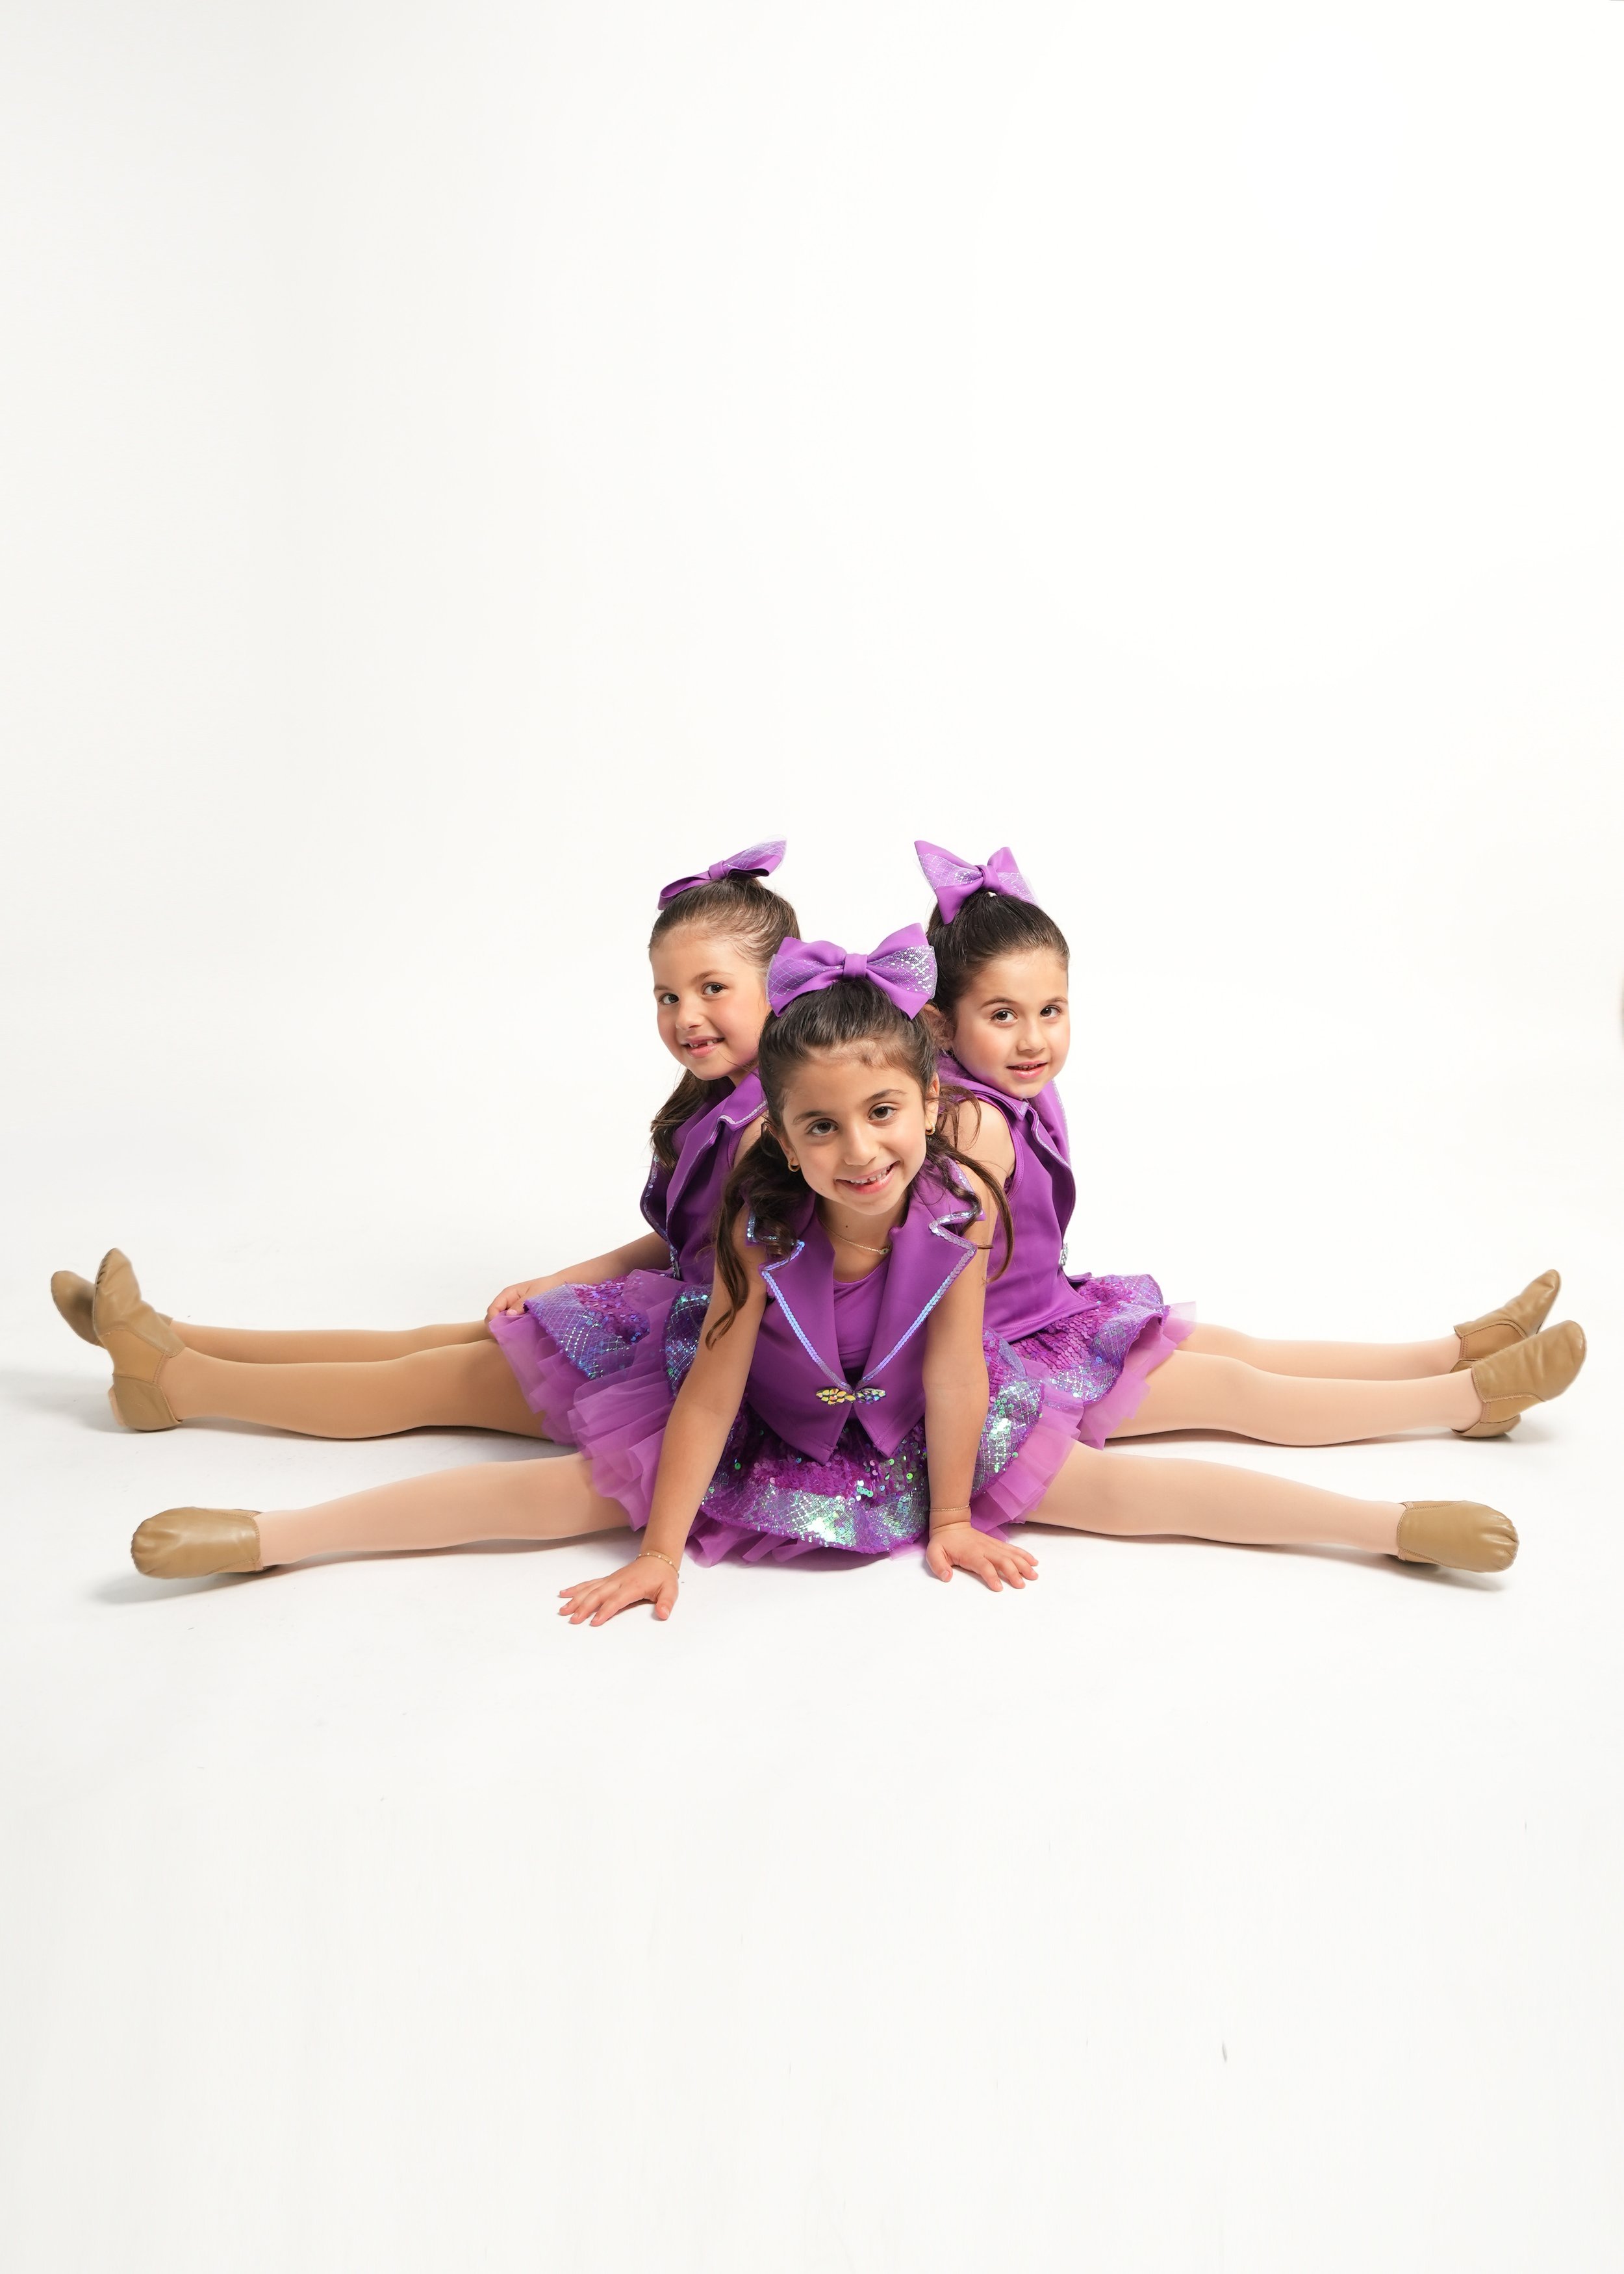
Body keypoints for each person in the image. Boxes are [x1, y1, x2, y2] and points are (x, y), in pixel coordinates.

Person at [127, 927, 1524, 1606]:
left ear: (928, 1102)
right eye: (819, 1126)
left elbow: (964, 1365)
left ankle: (1396, 1521)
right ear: (779, 1139)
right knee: (526, 1465)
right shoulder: (757, 1228)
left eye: (882, 1116)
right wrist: (662, 1544)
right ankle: (258, 1533)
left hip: (919, 1438)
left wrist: (958, 1512)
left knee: (1125, 1476)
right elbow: (699, 1401)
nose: (858, 1151)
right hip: (762, 1438)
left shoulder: (957, 1207)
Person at [55, 842, 794, 1442]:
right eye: (667, 996)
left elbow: (751, 1277)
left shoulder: (777, 1124)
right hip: (665, 1312)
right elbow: (681, 1242)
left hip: (692, 1364)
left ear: (781, 986)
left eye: (712, 988)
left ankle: (170, 1384)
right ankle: (169, 1333)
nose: (684, 1015)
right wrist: (564, 1278)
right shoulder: (721, 1101)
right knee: (433, 1340)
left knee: (429, 1381)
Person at [915, 838, 1586, 1449]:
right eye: (1002, 1014)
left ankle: (1453, 1349)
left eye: (1050, 1010)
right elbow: (945, 1304)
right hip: (1011, 1365)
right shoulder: (975, 1123)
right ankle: (1466, 1399)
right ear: (941, 1023)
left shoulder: (1016, 1086)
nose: (1033, 1039)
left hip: (1056, 1315)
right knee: (1236, 1390)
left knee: (1238, 1348)